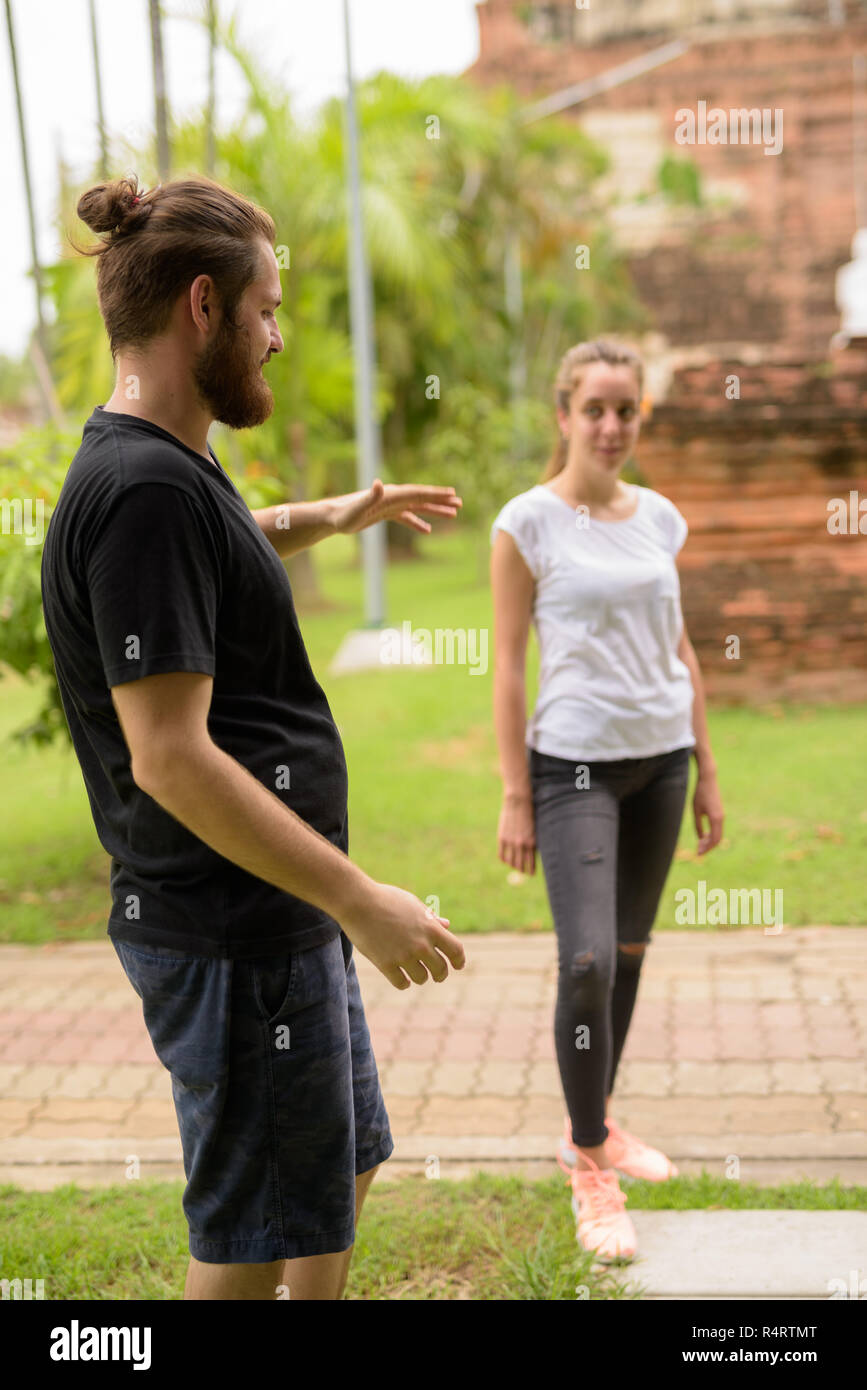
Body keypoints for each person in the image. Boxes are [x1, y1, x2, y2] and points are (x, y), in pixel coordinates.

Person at [40, 175, 466, 1301]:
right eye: (267, 308)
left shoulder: (169, 467)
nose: (276, 337)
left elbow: (216, 550)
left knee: (337, 1173)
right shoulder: (144, 491)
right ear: (202, 307)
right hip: (232, 927)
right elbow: (170, 757)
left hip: (268, 913)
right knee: (250, 1243)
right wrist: (359, 899)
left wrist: (328, 515)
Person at [490, 338, 724, 1263]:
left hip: (661, 759)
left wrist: (706, 765)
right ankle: (591, 1164)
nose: (611, 425)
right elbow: (506, 665)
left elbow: (681, 647)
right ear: (564, 414)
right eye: (594, 408)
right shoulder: (528, 523)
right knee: (584, 958)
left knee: (625, 955)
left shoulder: (659, 519)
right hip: (572, 767)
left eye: (625, 410)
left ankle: (594, 1128)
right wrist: (514, 791)